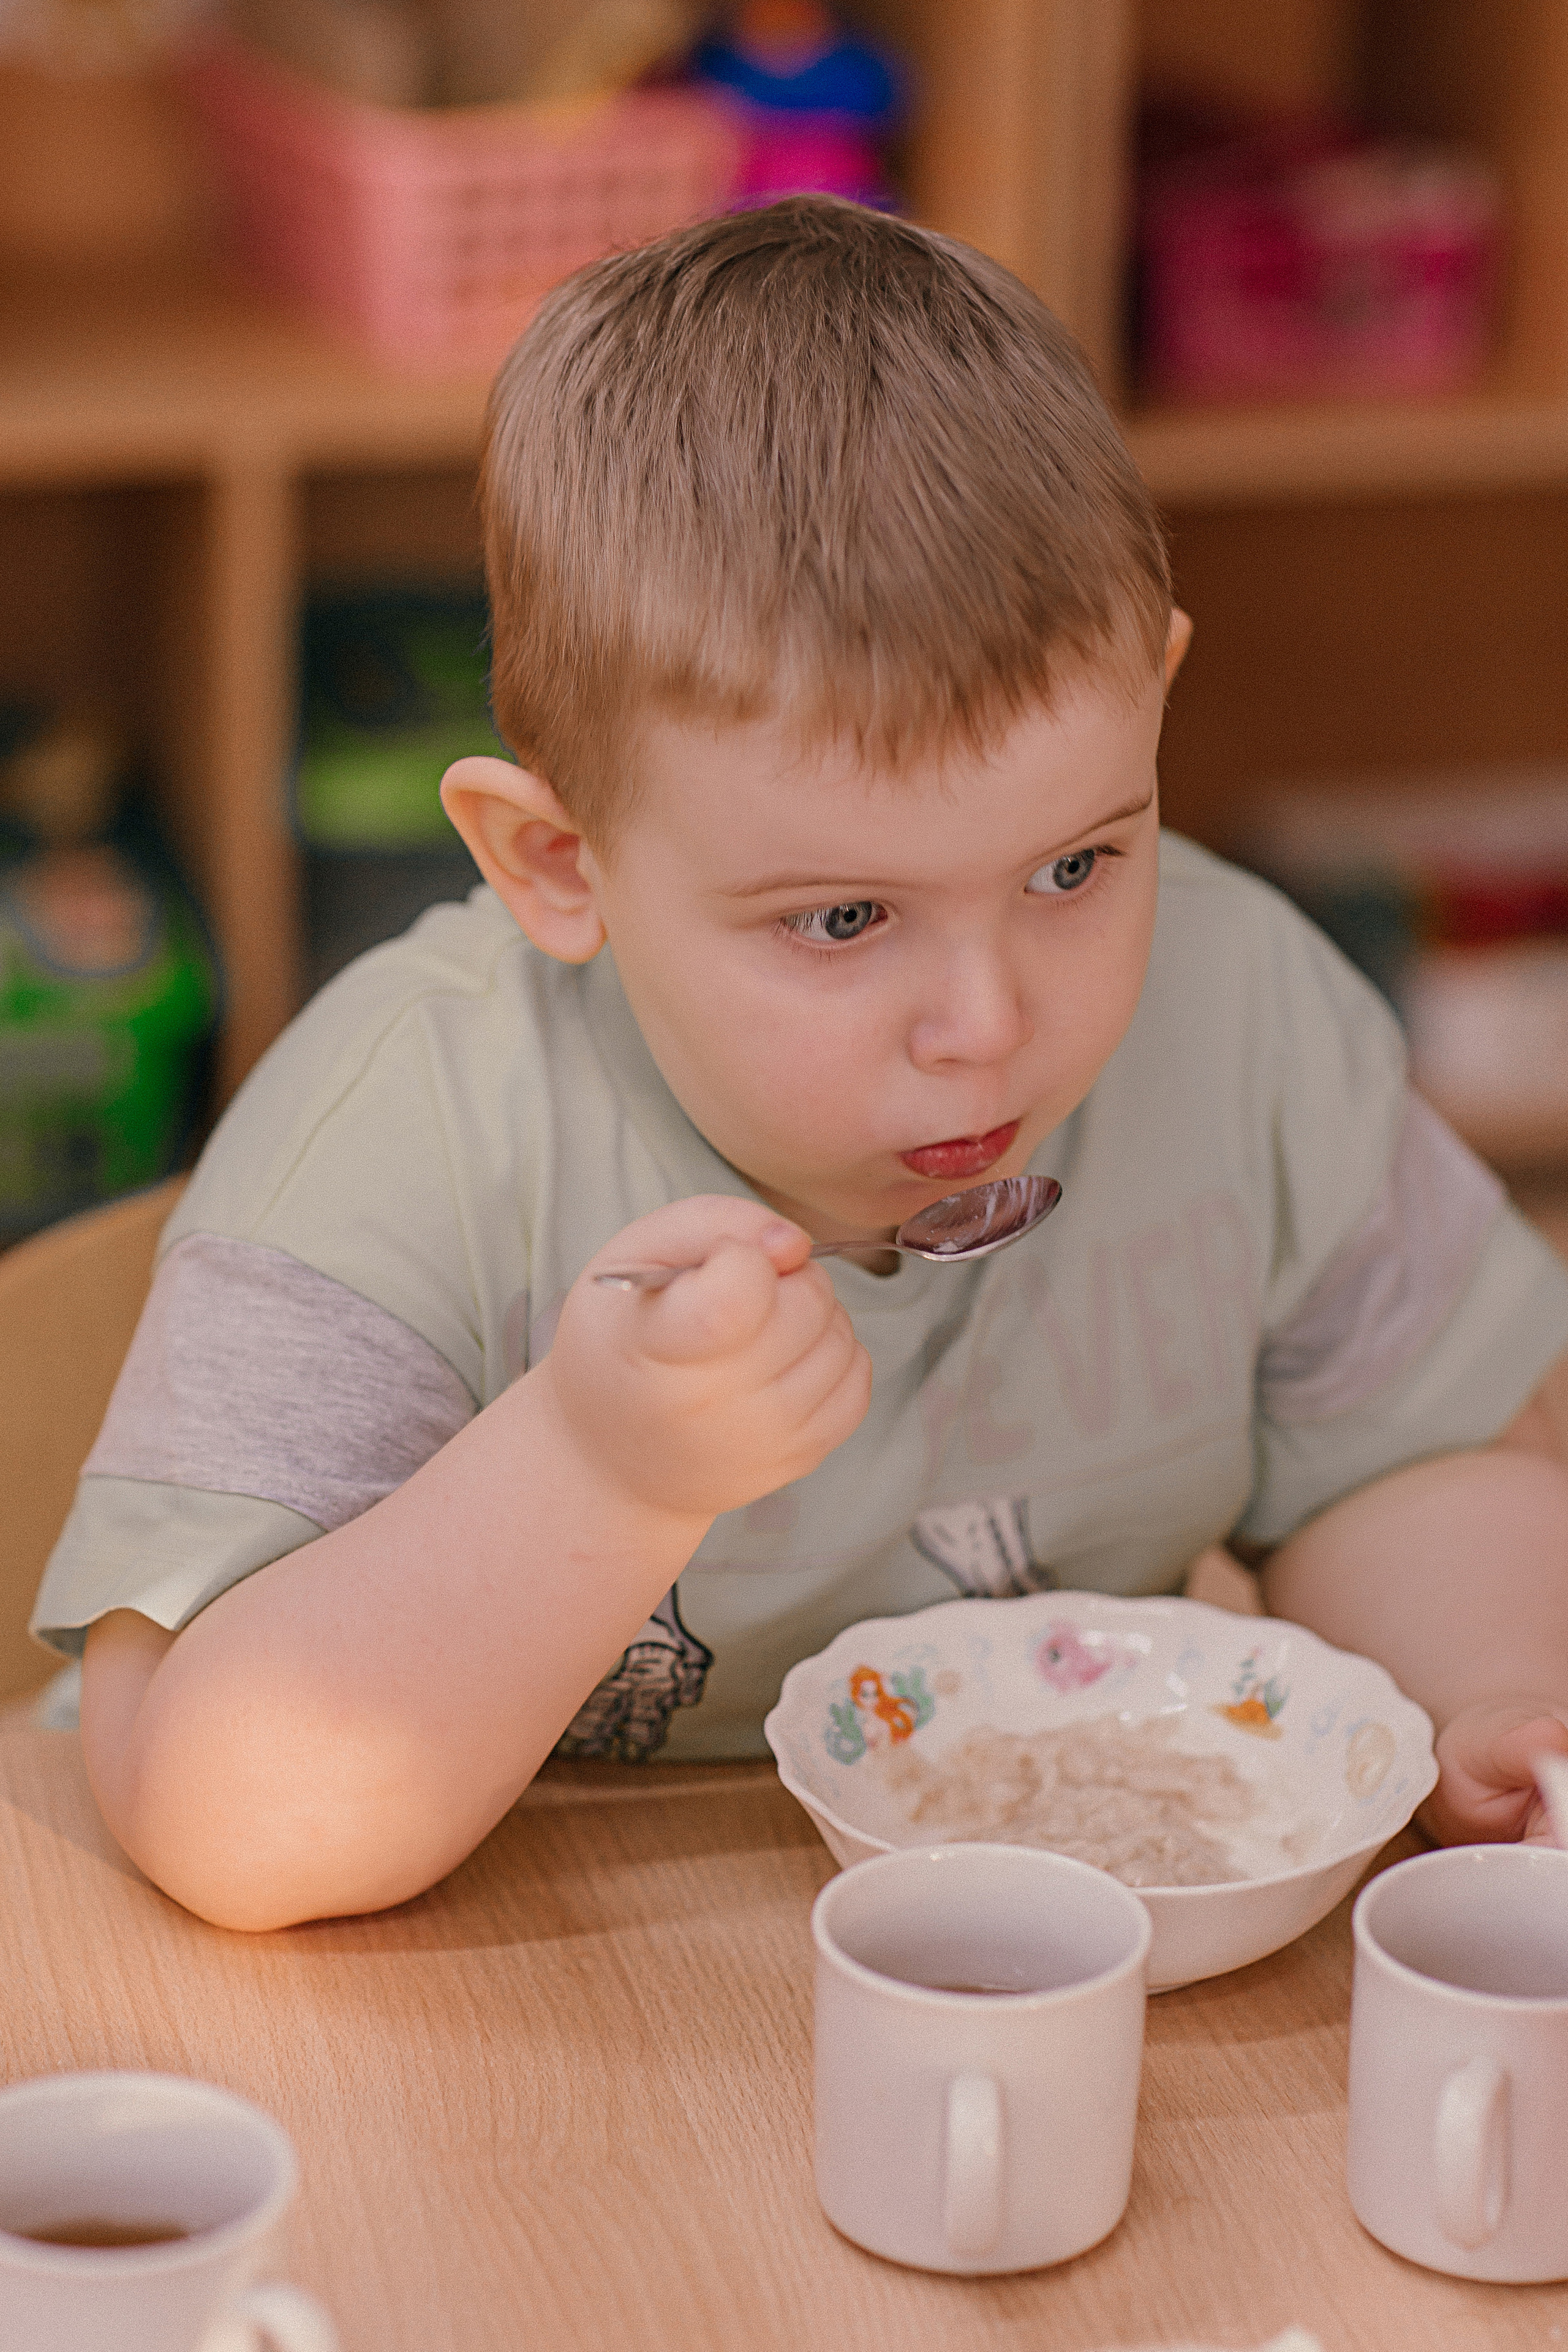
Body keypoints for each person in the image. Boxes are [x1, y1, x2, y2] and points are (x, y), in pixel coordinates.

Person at [32, 197, 1568, 1932]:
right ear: (560, 867)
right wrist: (599, 1473)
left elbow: (1408, 1459)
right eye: (844, 919)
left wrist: (1487, 1705)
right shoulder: (411, 1130)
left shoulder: (1252, 1011)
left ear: (1157, 699)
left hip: (976, 1951)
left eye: (1076, 866)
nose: (988, 1018)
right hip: (508, 1996)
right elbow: (217, 1812)